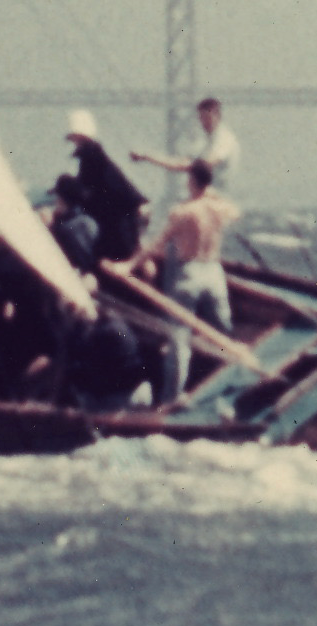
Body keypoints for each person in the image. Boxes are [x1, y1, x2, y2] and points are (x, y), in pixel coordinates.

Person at [137, 157, 240, 405]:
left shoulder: (182, 212)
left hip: (189, 274)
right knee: (223, 330)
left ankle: (172, 399)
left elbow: (156, 244)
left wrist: (128, 266)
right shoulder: (220, 208)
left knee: (179, 341)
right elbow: (235, 211)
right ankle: (232, 382)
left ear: (191, 180)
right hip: (214, 272)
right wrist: (208, 190)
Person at [61, 108, 149, 264]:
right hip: (121, 216)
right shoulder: (94, 155)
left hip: (119, 219)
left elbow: (87, 191)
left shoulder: (90, 156)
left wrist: (66, 186)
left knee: (113, 257)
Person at [130, 94, 241, 189]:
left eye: (208, 117)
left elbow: (203, 165)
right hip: (207, 198)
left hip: (221, 200)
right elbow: (180, 163)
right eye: (202, 117)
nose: (204, 122)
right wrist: (147, 156)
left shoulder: (224, 139)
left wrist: (149, 157)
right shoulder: (204, 142)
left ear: (218, 116)